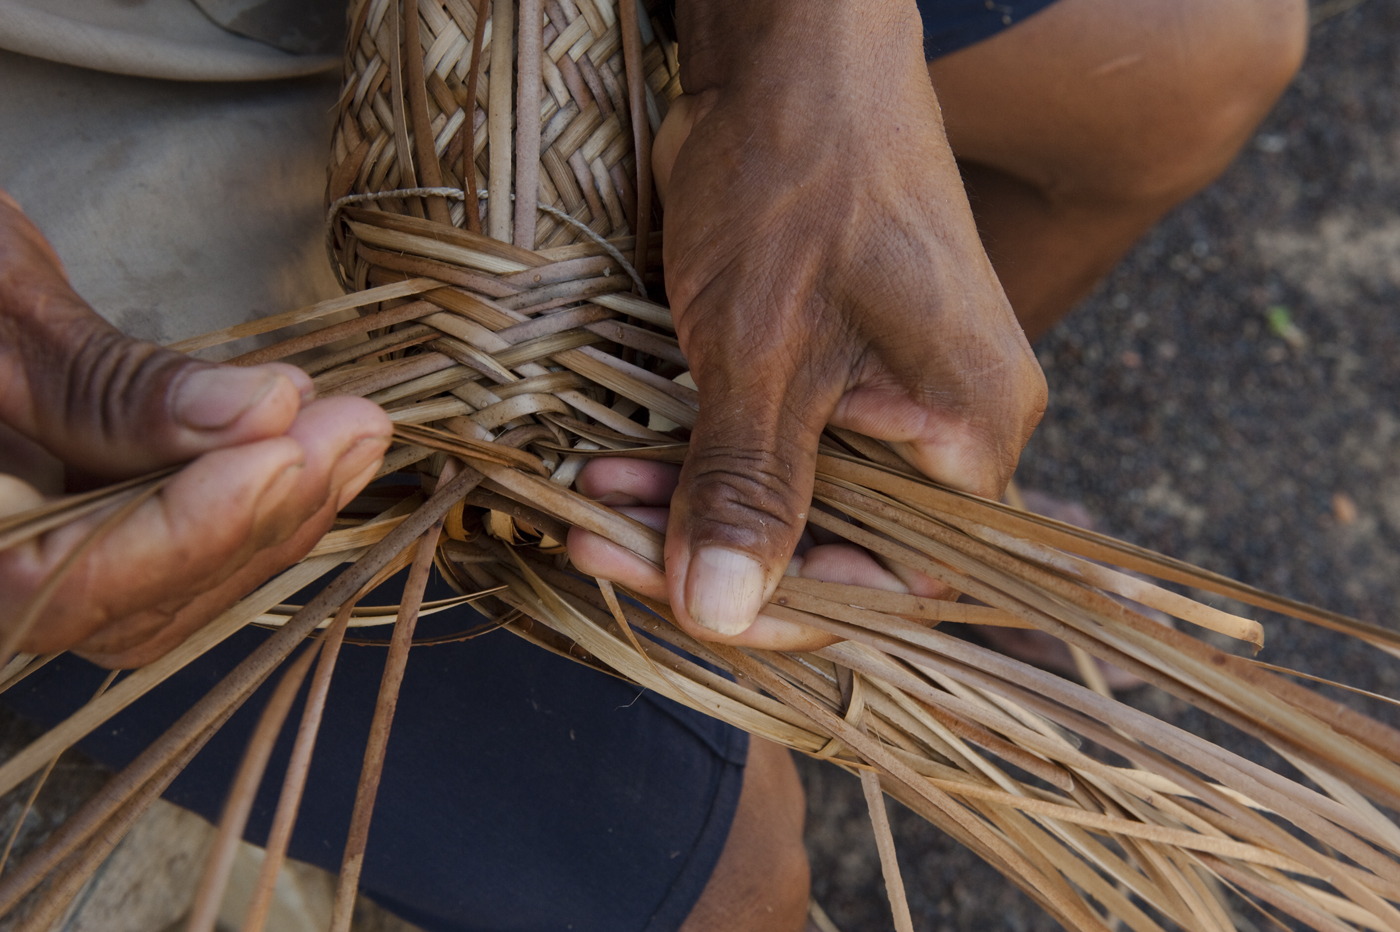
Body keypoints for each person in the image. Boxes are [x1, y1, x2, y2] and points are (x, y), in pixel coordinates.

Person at [0, 0, 1308, 929]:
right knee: (729, 882)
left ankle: (871, 495)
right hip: (71, 164)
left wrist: (804, 49)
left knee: (1200, 53)